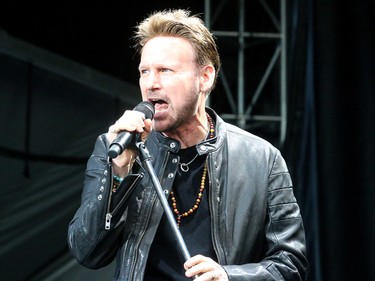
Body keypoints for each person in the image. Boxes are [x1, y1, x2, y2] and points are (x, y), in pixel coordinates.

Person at [67, 9, 308, 281]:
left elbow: (290, 263)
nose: (151, 84)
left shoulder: (261, 158)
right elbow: (87, 252)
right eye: (144, 72)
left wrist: (229, 277)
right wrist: (120, 175)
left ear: (205, 77)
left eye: (165, 71)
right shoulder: (116, 148)